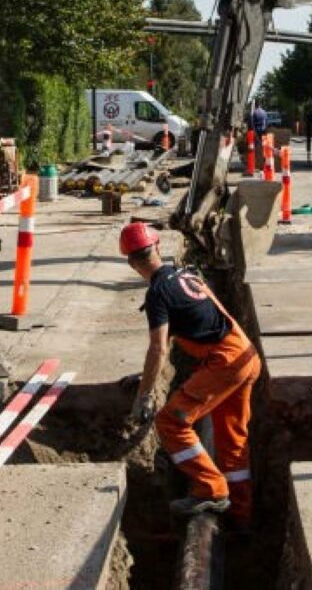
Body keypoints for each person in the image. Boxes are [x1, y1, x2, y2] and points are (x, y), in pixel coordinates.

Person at [120, 222, 261, 523]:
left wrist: (145, 395)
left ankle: (212, 489)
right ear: (157, 247)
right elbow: (212, 313)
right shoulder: (186, 274)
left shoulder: (158, 293)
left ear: (132, 263)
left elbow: (158, 348)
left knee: (170, 422)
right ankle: (241, 516)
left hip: (224, 362)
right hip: (246, 353)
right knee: (232, 440)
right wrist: (146, 377)